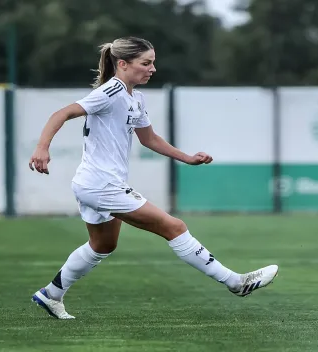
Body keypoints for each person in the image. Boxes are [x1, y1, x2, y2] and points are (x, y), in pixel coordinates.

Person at [29, 37, 278, 319]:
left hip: (94, 184)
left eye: (153, 63)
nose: (152, 69)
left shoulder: (135, 97)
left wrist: (187, 157)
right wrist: (42, 147)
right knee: (174, 226)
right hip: (101, 185)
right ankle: (236, 282)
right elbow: (62, 113)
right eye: (146, 63)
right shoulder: (111, 91)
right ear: (122, 64)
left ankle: (51, 294)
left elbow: (149, 139)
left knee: (103, 245)